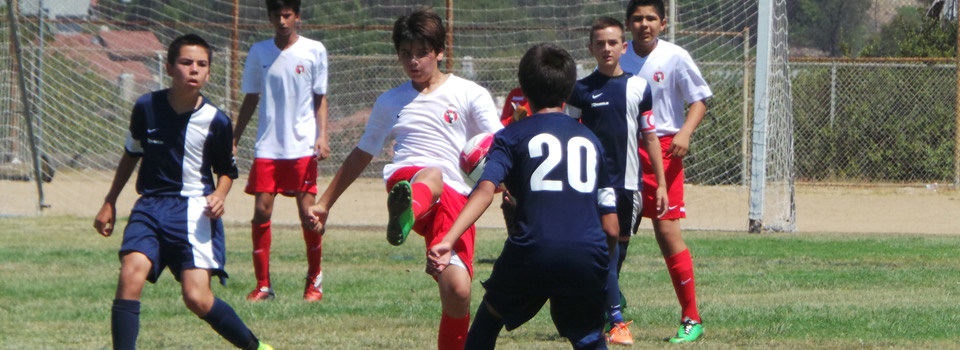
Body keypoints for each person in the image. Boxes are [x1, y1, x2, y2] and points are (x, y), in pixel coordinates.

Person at [306, 8, 503, 350]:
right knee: (432, 174)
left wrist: (508, 182)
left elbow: (499, 145)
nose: (413, 61)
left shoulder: (470, 94)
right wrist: (324, 203)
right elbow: (361, 153)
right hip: (409, 180)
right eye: (405, 54)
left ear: (439, 52)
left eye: (422, 53)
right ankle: (406, 207)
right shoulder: (390, 101)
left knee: (458, 293)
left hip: (457, 200)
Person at [428, 43, 618, 350]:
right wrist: (597, 263)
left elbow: (486, 190)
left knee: (489, 319)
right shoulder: (591, 140)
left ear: (523, 90)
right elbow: (611, 227)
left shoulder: (510, 136)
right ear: (568, 92)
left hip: (532, 249)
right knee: (588, 337)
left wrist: (449, 239)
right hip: (587, 252)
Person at [93, 34, 272, 350]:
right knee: (130, 275)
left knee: (197, 298)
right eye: (186, 62)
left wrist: (220, 194)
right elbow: (131, 154)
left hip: (194, 211)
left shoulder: (216, 120)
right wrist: (110, 201)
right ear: (169, 67)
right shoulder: (146, 107)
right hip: (149, 207)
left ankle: (254, 347)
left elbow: (228, 172)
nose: (194, 69)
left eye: (201, 64)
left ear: (208, 73)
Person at [566, 16, 669, 345]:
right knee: (605, 248)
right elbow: (568, 136)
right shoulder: (579, 90)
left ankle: (596, 311)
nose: (607, 48)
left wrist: (662, 184)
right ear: (590, 48)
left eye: (613, 43)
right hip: (594, 184)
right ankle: (616, 321)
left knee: (617, 255)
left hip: (630, 184)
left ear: (624, 47)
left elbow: (650, 137)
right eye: (600, 43)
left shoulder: (639, 87)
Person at [618, 0, 713, 343]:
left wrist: (685, 132)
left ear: (663, 22)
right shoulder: (619, 56)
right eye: (638, 18)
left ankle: (691, 317)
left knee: (667, 233)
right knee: (611, 233)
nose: (644, 24)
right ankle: (611, 307)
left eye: (651, 18)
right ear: (628, 23)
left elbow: (699, 99)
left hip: (665, 151)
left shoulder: (675, 56)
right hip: (624, 151)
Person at [233, 0, 330, 302]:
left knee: (308, 214)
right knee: (261, 209)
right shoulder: (259, 52)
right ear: (270, 17)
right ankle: (264, 286)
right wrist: (234, 137)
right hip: (268, 147)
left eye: (287, 14)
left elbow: (320, 97)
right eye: (276, 15)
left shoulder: (314, 51)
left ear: (297, 16)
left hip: (302, 145)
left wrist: (322, 135)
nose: (282, 20)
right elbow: (251, 97)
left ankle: (314, 282)